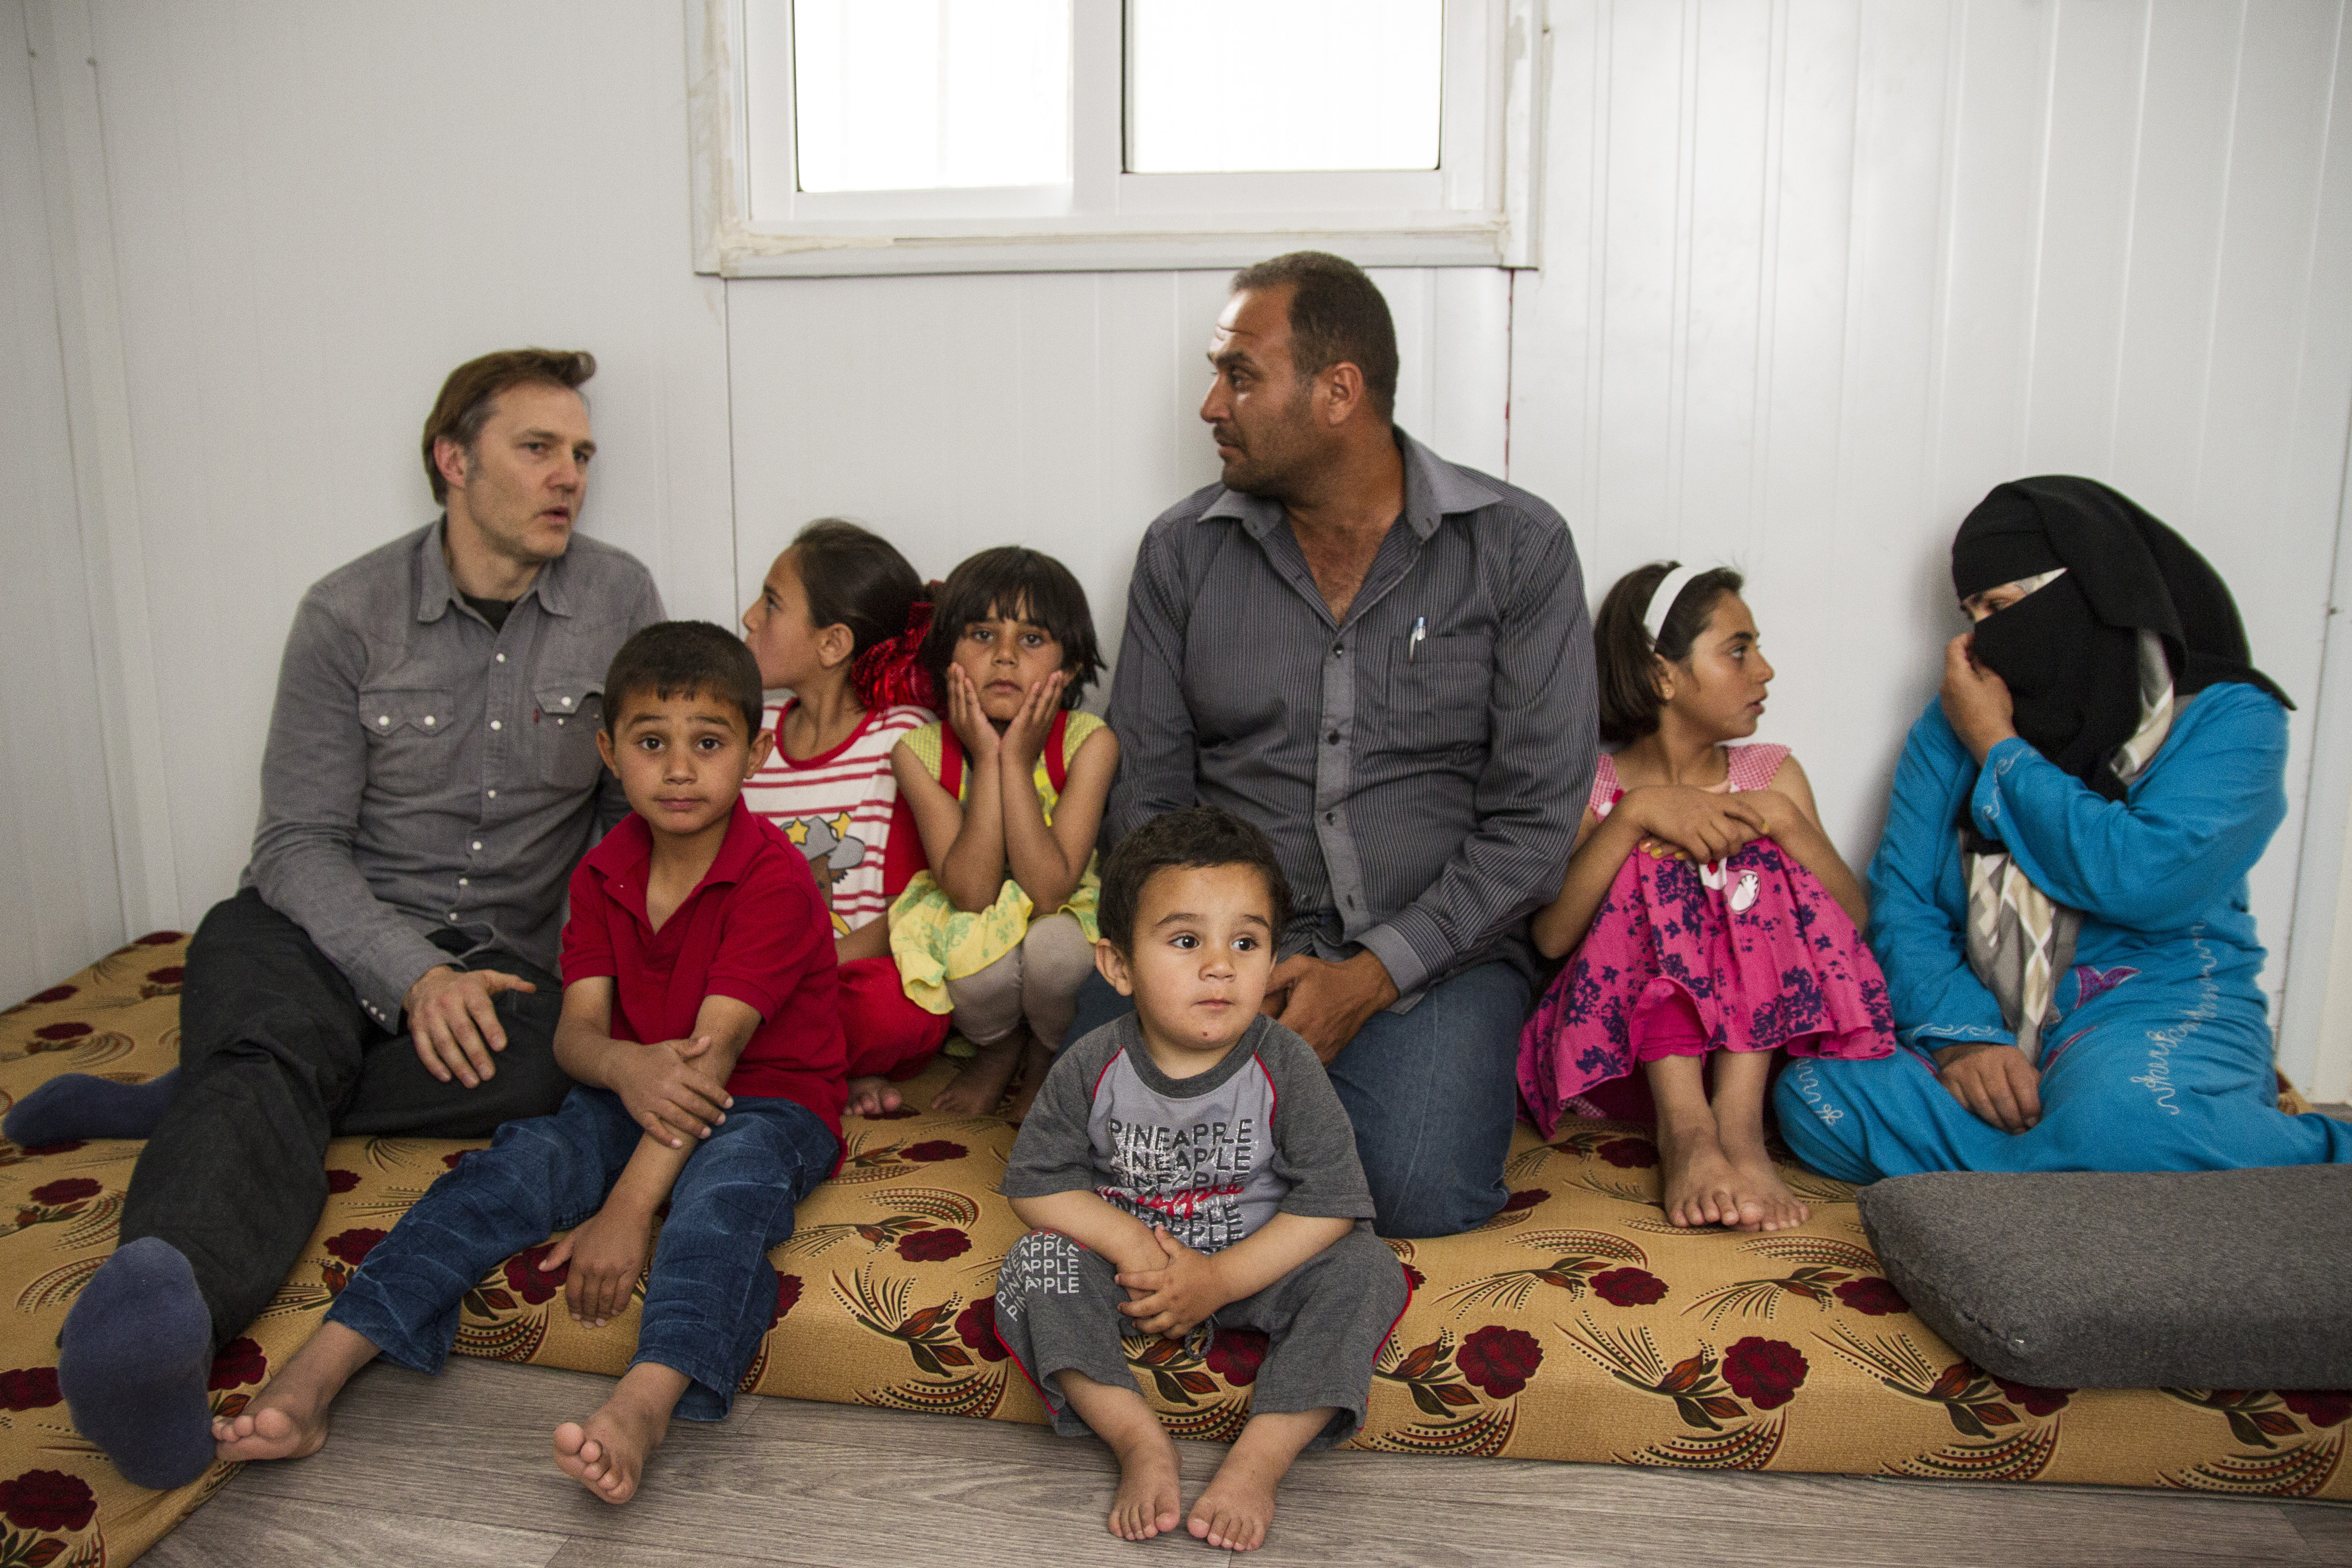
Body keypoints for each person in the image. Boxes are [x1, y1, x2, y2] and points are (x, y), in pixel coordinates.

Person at [31, 349, 662, 1489]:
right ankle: (160, 1318)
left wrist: (570, 973)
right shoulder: (346, 612)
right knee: (270, 1004)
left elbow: (622, 821)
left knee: (563, 1066)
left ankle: (227, 1082)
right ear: (452, 459)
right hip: (326, 933)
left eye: (581, 455)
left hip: (507, 966)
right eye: (537, 448)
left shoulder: (618, 597)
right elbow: (294, 842)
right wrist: (414, 974)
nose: (568, 475)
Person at [211, 622, 847, 1504]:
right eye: (650, 743)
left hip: (768, 1100)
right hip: (638, 1084)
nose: (678, 768)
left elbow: (710, 1072)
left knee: (724, 1196)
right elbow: (577, 1036)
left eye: (709, 743)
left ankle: (647, 1400)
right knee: (506, 1169)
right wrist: (623, 1069)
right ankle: (324, 1365)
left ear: (754, 750)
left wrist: (629, 1210)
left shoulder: (773, 882)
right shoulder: (601, 873)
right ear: (608, 752)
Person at [1083, 250, 1596, 1238]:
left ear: (1337, 392)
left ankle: (1268, 1154)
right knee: (1108, 1159)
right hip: (1216, 939)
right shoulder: (1182, 553)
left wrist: (1369, 978)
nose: (1209, 405)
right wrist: (1204, 961)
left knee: (1418, 1188)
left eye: (1239, 375)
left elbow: (1535, 823)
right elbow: (1146, 795)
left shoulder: (1518, 549)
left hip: (1431, 949)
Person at [1774, 476, 2352, 1179]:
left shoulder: (2229, 718)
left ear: (2086, 593)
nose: (1986, 635)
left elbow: (2141, 878)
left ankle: (2303, 1157)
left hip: (2152, 1004)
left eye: (2003, 605)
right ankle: (2082, 1168)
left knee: (2126, 1115)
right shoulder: (1952, 718)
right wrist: (1962, 1040)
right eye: (1973, 612)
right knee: (1815, 1095)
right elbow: (1904, 897)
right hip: (1988, 1018)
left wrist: (1998, 746)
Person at [995, 808, 1408, 1552]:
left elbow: (1331, 1206)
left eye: (1244, 942)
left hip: (1252, 1266)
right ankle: (1134, 1438)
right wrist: (1124, 1242)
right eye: (1185, 941)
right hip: (1134, 1274)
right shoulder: (1092, 1063)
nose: (1219, 965)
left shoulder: (1284, 1063)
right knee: (1035, 1267)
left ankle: (1260, 1457)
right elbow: (1035, 1183)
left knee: (1366, 1270)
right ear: (1117, 965)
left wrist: (1218, 1280)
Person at [1515, 562, 1889, 1232]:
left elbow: (1852, 919)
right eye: (1739, 650)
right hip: (1623, 1056)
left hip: (1750, 1058)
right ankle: (1687, 1133)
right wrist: (1636, 817)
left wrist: (1784, 821)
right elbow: (1549, 939)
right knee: (1650, 863)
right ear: (1663, 675)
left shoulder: (1768, 774)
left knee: (1756, 852)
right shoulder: (1595, 785)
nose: (1765, 670)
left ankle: (1739, 1133)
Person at [890, 547, 1117, 1118]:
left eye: (1033, 639)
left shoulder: (1089, 741)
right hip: (976, 906)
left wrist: (1017, 764)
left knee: (1056, 950)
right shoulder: (918, 753)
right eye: (982, 634)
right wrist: (986, 760)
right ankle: (996, 1047)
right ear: (947, 654)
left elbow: (1048, 891)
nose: (1006, 657)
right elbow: (971, 893)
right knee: (972, 947)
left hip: (1059, 910)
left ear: (1068, 667)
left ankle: (1047, 1051)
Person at [739, 519, 950, 1115]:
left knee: (895, 1008)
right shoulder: (755, 740)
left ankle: (767, 1064)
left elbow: (915, 905)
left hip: (844, 976)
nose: (751, 616)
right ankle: (822, 1072)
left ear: (832, 644)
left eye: (773, 603)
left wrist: (806, 967)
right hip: (756, 975)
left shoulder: (900, 738)